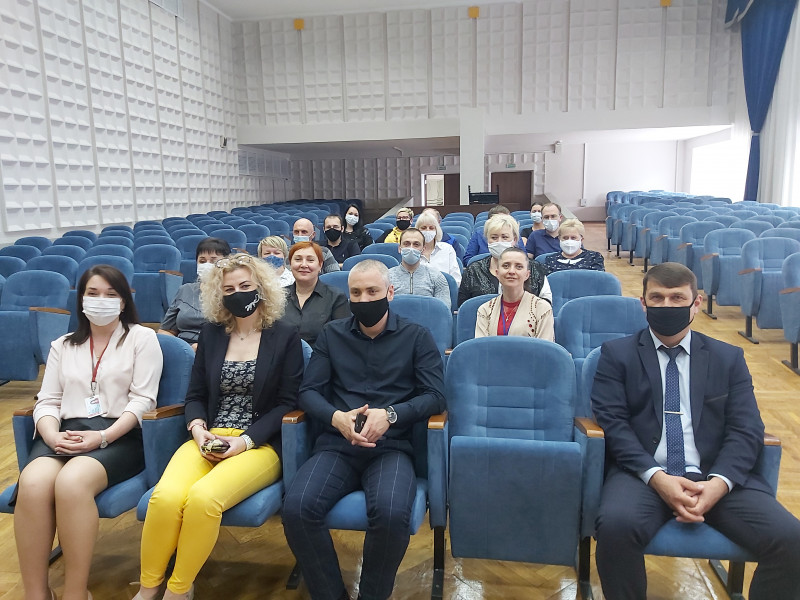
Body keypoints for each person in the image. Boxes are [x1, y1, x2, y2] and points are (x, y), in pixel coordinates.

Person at [592, 262, 800, 600]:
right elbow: (614, 425)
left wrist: (718, 485)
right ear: (643, 303)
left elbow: (747, 429)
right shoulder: (617, 354)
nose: (667, 306)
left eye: (677, 298)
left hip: (715, 476)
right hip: (644, 475)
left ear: (696, 303)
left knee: (791, 540)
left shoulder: (728, 358)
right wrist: (658, 478)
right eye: (657, 298)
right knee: (615, 527)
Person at [135, 253, 303, 600]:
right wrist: (198, 429)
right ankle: (148, 589)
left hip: (257, 443)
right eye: (229, 289)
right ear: (219, 294)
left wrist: (244, 441)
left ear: (261, 288)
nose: (238, 293)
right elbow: (195, 394)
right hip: (208, 436)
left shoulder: (285, 335)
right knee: (165, 498)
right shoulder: (211, 334)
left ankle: (178, 590)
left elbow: (288, 402)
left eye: (245, 285)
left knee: (203, 499)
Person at [282, 259, 446, 600]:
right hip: (337, 444)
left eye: (372, 291)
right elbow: (308, 392)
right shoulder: (332, 334)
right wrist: (336, 418)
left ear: (390, 292)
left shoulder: (416, 336)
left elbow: (435, 396)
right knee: (297, 509)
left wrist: (391, 415)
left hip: (391, 447)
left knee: (391, 514)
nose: (364, 299)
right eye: (356, 293)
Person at [15, 265, 163, 600]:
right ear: (81, 299)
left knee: (72, 482)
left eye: (111, 294)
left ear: (123, 302)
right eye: (92, 293)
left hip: (119, 433)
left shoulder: (142, 338)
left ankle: (75, 592)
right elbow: (48, 401)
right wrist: (51, 435)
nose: (101, 300)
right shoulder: (63, 344)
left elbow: (143, 401)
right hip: (65, 432)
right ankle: (36, 594)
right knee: (33, 483)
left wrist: (104, 436)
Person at [458, 214, 551, 307]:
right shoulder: (473, 271)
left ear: (515, 240)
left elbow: (546, 303)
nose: (499, 241)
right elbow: (464, 308)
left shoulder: (535, 268)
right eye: (494, 237)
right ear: (487, 240)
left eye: (504, 237)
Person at [159, 238, 231, 350]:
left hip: (216, 349)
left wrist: (202, 348)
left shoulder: (231, 292)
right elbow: (165, 330)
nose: (207, 265)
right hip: (183, 349)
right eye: (202, 261)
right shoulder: (185, 290)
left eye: (213, 261)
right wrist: (181, 348)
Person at [475, 247, 553, 340]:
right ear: (497, 273)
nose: (511, 271)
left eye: (519, 267)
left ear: (527, 274)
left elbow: (545, 347)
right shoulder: (485, 310)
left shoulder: (542, 309)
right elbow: (481, 347)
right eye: (506, 266)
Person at [282, 241, 349, 346]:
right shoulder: (278, 296)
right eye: (298, 259)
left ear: (320, 265)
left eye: (310, 260)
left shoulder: (336, 297)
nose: (304, 265)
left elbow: (341, 339)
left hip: (321, 354)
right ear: (290, 264)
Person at [388, 228, 451, 310]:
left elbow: (443, 310)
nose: (411, 248)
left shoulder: (436, 277)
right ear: (399, 248)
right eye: (406, 244)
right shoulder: (386, 277)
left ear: (423, 250)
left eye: (416, 244)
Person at [415, 211, 462, 285]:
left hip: (445, 290)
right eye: (423, 228)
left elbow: (456, 280)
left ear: (436, 230)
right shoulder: (412, 251)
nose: (427, 231)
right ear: (417, 230)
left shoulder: (447, 249)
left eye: (431, 228)